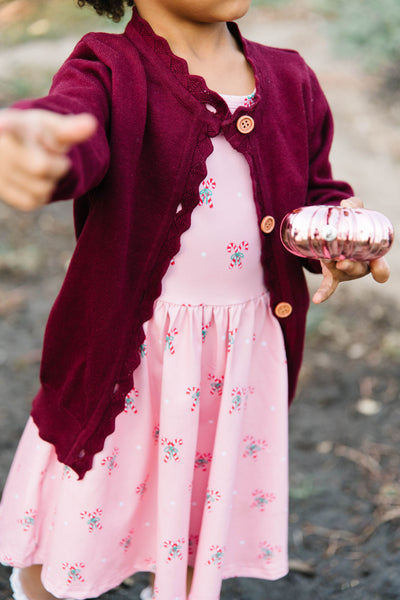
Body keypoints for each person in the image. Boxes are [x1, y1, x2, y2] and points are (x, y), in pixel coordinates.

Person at [0, 1, 390, 599]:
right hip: (130, 360)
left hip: (236, 361)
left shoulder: (291, 78)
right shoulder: (108, 68)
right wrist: (40, 147)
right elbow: (74, 132)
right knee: (78, 522)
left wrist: (334, 234)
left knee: (196, 516)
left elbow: (315, 188)